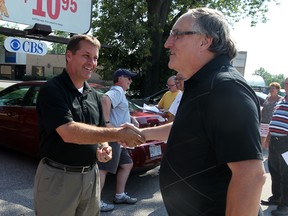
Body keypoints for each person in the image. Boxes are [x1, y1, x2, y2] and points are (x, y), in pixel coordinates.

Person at [126, 7, 266, 215]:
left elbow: (251, 175)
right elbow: (189, 128)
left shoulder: (224, 87)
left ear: (205, 41)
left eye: (177, 34)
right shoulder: (204, 84)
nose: (167, 43)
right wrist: (143, 134)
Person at [34, 34, 145, 216]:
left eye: (95, 58)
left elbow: (101, 128)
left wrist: (104, 148)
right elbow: (68, 132)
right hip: (59, 177)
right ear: (69, 56)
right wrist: (118, 135)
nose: (91, 62)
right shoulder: (52, 90)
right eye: (86, 56)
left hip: (91, 176)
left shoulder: (94, 94)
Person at [98, 69, 138, 212]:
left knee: (127, 164)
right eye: (128, 78)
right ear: (120, 78)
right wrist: (107, 122)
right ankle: (96, 202)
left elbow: (119, 110)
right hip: (113, 138)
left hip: (119, 139)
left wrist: (131, 119)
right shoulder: (117, 91)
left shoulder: (121, 93)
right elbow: (105, 99)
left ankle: (119, 196)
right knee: (103, 169)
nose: (130, 81)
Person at [261, 77, 288, 216]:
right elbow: (274, 120)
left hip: (286, 143)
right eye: (286, 83)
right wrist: (268, 139)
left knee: (286, 175)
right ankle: (276, 198)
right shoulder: (281, 102)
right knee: (274, 171)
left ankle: (285, 206)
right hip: (274, 142)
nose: (286, 85)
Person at [260, 82, 283, 148]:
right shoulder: (267, 97)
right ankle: (262, 155)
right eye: (270, 88)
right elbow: (263, 108)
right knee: (262, 138)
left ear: (277, 90)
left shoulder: (280, 99)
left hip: (272, 123)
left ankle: (269, 155)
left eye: (273, 88)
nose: (271, 89)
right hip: (264, 121)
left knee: (269, 140)